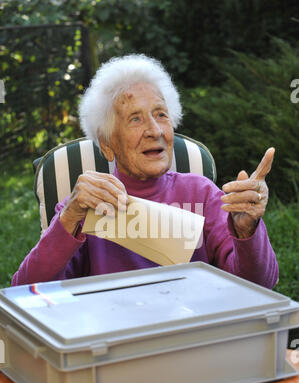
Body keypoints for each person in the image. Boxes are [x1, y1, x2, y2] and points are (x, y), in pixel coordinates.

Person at [12, 54, 278, 288]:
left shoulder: (203, 194)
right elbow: (26, 291)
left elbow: (259, 286)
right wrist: (70, 217)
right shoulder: (83, 207)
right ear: (106, 145)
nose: (155, 130)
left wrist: (246, 231)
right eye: (135, 119)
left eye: (161, 114)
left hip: (194, 334)